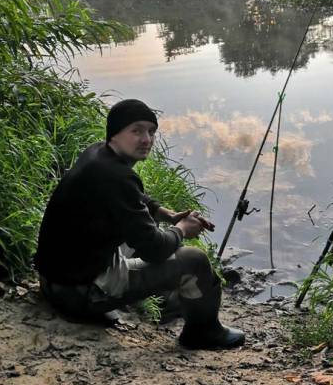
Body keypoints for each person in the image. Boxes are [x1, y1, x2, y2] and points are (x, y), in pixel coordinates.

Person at [34, 99, 244, 350]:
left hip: (53, 281)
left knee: (146, 234)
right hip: (77, 294)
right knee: (194, 260)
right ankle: (203, 332)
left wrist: (167, 214)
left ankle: (171, 299)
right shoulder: (118, 176)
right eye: (136, 130)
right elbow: (154, 249)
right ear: (115, 134)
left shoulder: (97, 154)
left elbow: (132, 200)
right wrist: (182, 230)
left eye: (151, 131)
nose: (147, 139)